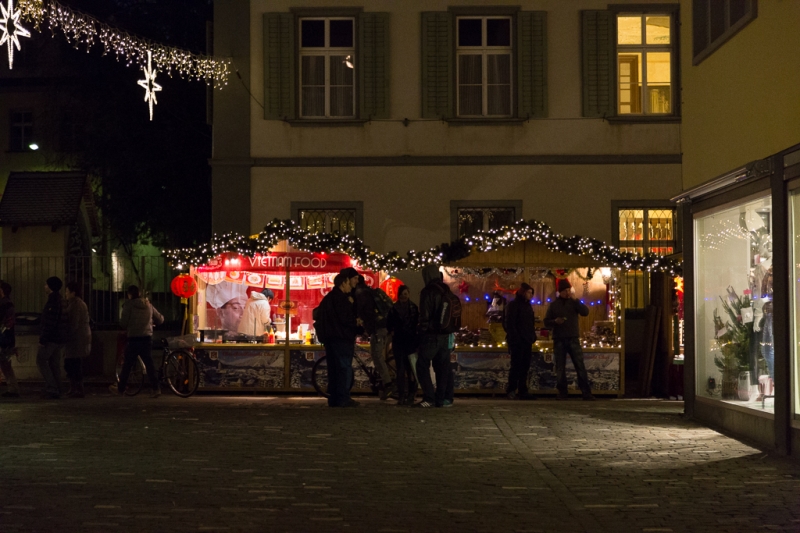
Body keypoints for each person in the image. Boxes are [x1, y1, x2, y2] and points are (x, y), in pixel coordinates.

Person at [544, 279, 594, 400]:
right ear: (560, 292)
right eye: (565, 291)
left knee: (580, 366)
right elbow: (546, 322)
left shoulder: (574, 303)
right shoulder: (554, 305)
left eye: (569, 290)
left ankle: (586, 393)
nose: (567, 293)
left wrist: (576, 300)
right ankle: (562, 392)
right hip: (559, 339)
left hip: (573, 338)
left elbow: (585, 312)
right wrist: (555, 321)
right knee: (560, 367)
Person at [110, 285, 164, 398]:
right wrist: (150, 322)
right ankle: (156, 388)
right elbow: (160, 319)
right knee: (149, 364)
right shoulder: (148, 304)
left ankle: (120, 389)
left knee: (127, 365)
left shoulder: (128, 305)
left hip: (134, 339)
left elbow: (123, 323)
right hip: (147, 338)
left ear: (129, 294)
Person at [316, 273, 359, 407]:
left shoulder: (328, 298)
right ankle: (343, 398)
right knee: (343, 368)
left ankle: (334, 398)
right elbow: (345, 319)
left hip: (330, 339)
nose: (351, 287)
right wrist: (357, 324)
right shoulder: (341, 299)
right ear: (343, 283)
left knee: (334, 369)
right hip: (342, 338)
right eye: (349, 283)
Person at [415, 264, 454, 408]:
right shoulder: (446, 289)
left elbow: (424, 316)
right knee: (442, 368)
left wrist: (421, 333)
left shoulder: (428, 291)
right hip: (445, 335)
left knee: (422, 365)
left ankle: (429, 397)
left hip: (431, 336)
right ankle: (441, 399)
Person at [354, 275, 396, 399]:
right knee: (377, 354)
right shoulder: (370, 292)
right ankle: (383, 385)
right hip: (384, 327)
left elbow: (365, 314)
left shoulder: (361, 294)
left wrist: (363, 329)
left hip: (379, 328)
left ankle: (388, 383)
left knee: (377, 356)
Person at [504, 283, 537, 400]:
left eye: (532, 293)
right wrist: (515, 337)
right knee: (516, 366)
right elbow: (509, 323)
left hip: (527, 340)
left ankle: (523, 390)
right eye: (529, 292)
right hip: (517, 341)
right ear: (523, 292)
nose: (531, 295)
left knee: (525, 366)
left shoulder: (528, 306)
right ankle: (511, 389)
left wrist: (532, 335)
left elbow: (530, 323)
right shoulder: (513, 305)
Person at [387, 285, 419, 406]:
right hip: (399, 342)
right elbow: (388, 323)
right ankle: (401, 395)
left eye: (406, 294)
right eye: (402, 294)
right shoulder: (394, 308)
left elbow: (417, 323)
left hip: (410, 342)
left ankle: (411, 394)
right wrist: (392, 331)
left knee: (410, 369)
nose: (404, 296)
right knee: (400, 369)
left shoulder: (413, 308)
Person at [37, 276, 66, 399]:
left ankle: (52, 387)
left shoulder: (52, 301)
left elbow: (50, 322)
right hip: (58, 338)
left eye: (46, 285)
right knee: (54, 364)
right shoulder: (59, 300)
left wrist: (43, 338)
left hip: (51, 338)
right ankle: (58, 388)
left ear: (51, 287)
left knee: (41, 360)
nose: (45, 286)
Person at [63, 282, 91, 398]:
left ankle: (77, 389)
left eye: (67, 291)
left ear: (73, 293)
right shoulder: (76, 304)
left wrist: (66, 335)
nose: (65, 293)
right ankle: (75, 388)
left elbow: (73, 324)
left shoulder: (76, 305)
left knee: (73, 364)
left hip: (77, 339)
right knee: (73, 363)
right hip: (79, 337)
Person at [0, 280, 20, 398]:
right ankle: (13, 388)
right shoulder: (7, 303)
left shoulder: (4, 304)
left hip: (4, 338)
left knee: (5, 364)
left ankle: (13, 388)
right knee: (5, 364)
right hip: (6, 338)